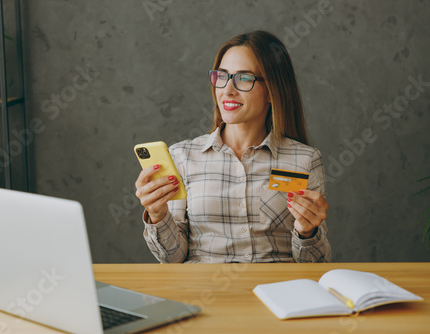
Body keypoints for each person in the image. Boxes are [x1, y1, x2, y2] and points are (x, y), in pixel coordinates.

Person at [135, 30, 331, 263]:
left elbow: (316, 264)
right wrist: (158, 215)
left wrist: (307, 232)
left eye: (244, 78)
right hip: (204, 294)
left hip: (276, 292)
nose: (227, 90)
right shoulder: (181, 157)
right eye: (222, 76)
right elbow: (173, 258)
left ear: (272, 90)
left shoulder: (304, 159)